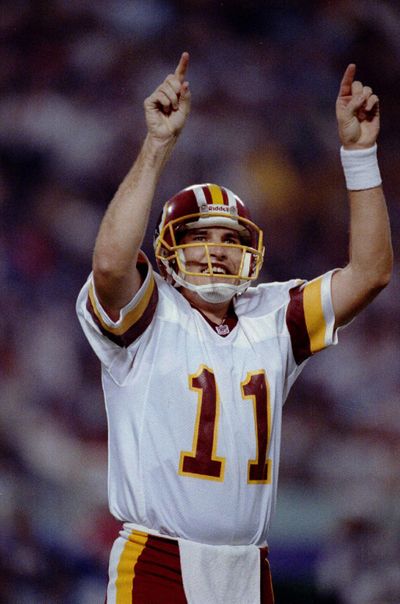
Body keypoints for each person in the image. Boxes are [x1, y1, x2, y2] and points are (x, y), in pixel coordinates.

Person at [76, 52, 392, 603]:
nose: (219, 251)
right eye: (203, 235)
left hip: (251, 565)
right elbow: (108, 265)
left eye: (233, 239)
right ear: (169, 248)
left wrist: (360, 155)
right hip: (159, 559)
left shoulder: (272, 315)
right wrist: (157, 146)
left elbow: (370, 273)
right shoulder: (152, 313)